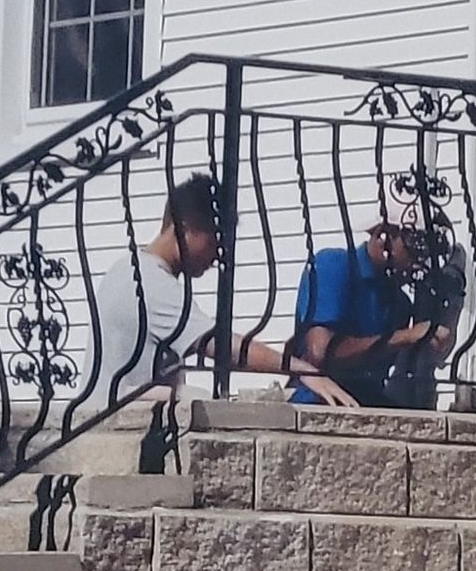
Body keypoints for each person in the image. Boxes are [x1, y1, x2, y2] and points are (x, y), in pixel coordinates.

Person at [88, 173, 355, 407]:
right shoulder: (150, 283)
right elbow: (221, 346)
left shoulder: (130, 269)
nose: (219, 254)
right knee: (202, 401)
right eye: (215, 240)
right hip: (117, 414)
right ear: (183, 228)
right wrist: (303, 370)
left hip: (113, 406)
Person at [289, 184, 464, 409]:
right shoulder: (334, 265)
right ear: (384, 237)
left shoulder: (400, 303)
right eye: (415, 246)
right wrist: (406, 336)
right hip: (317, 403)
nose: (419, 260)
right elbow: (320, 355)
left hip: (365, 406)